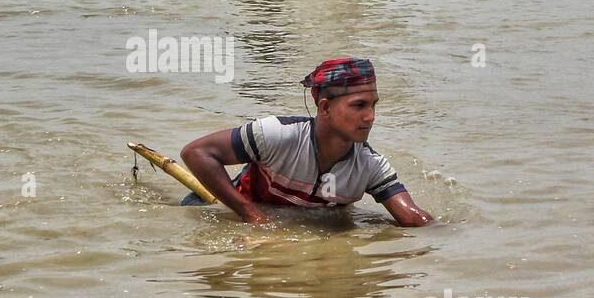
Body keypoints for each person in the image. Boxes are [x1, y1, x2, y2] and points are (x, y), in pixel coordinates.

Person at [180, 57, 433, 226]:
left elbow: (413, 219)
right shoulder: (278, 135)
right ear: (325, 107)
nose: (370, 117)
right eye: (359, 106)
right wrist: (250, 213)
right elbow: (196, 153)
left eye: (373, 105)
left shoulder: (370, 166)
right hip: (218, 211)